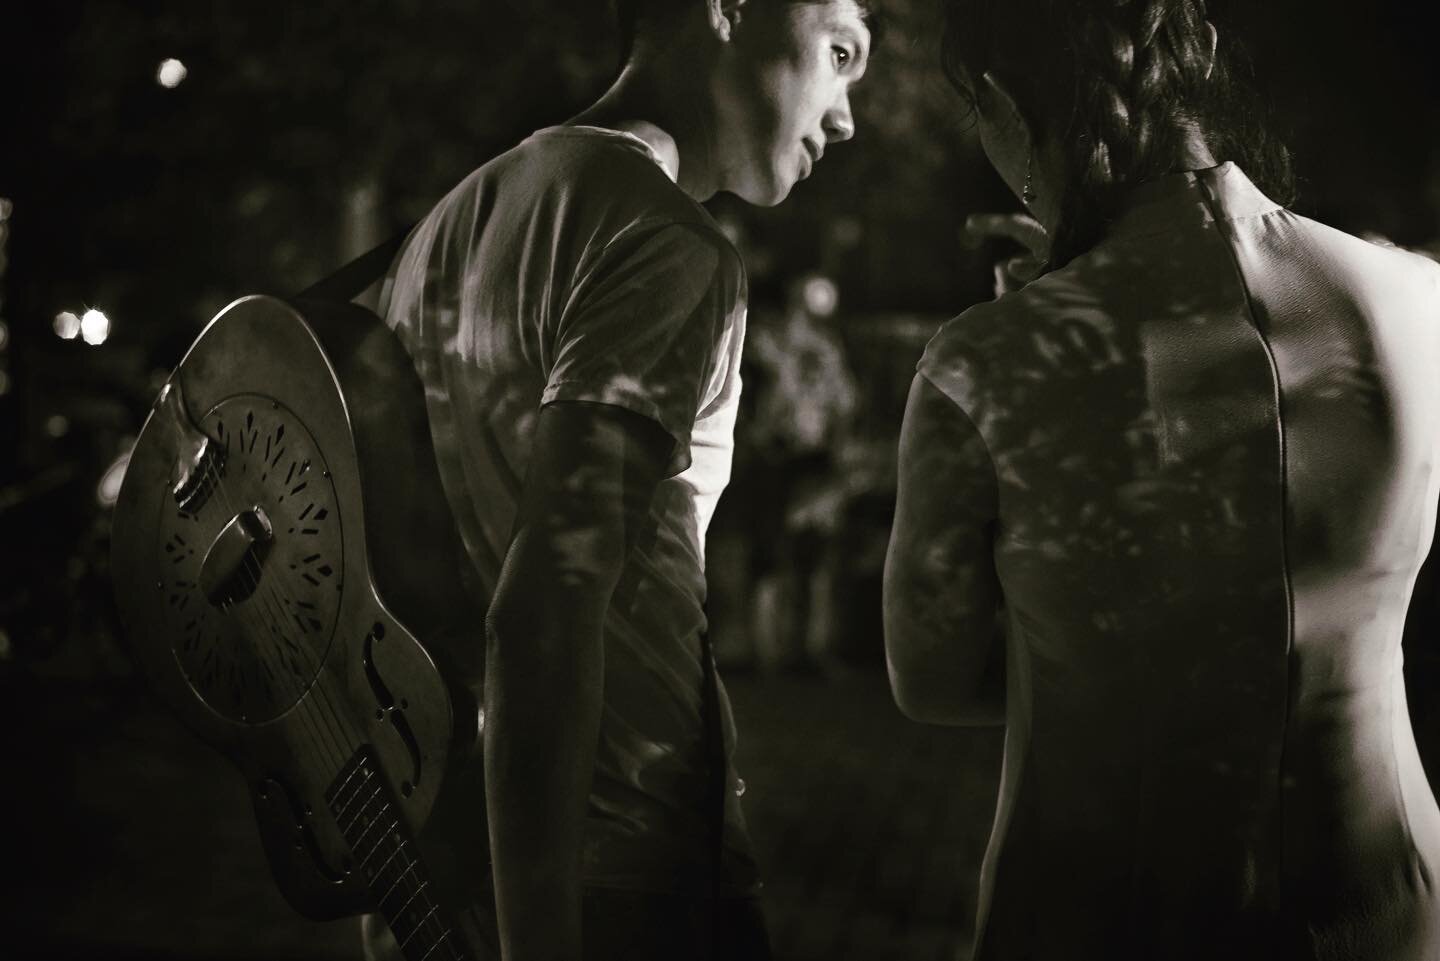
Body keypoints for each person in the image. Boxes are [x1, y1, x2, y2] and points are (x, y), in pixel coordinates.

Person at [882, 1, 1440, 959]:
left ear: (1007, 110)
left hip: (1110, 912)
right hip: (1387, 901)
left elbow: (932, 676)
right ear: (1205, 60)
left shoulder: (982, 366)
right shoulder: (1418, 303)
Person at [371, 1, 874, 958]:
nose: (847, 115)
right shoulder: (664, 241)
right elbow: (550, 600)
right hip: (617, 874)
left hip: (442, 850)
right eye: (841, 52)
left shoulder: (448, 224)